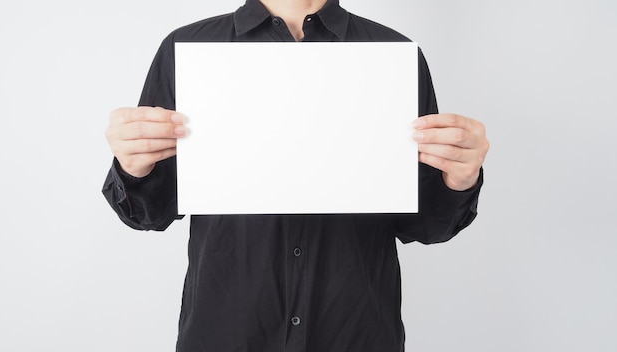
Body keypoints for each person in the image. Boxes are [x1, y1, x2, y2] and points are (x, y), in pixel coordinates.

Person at [102, 0, 490, 351]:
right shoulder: (187, 51)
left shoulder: (394, 56)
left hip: (356, 334)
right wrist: (134, 167)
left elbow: (421, 224)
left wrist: (459, 180)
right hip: (226, 335)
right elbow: (151, 213)